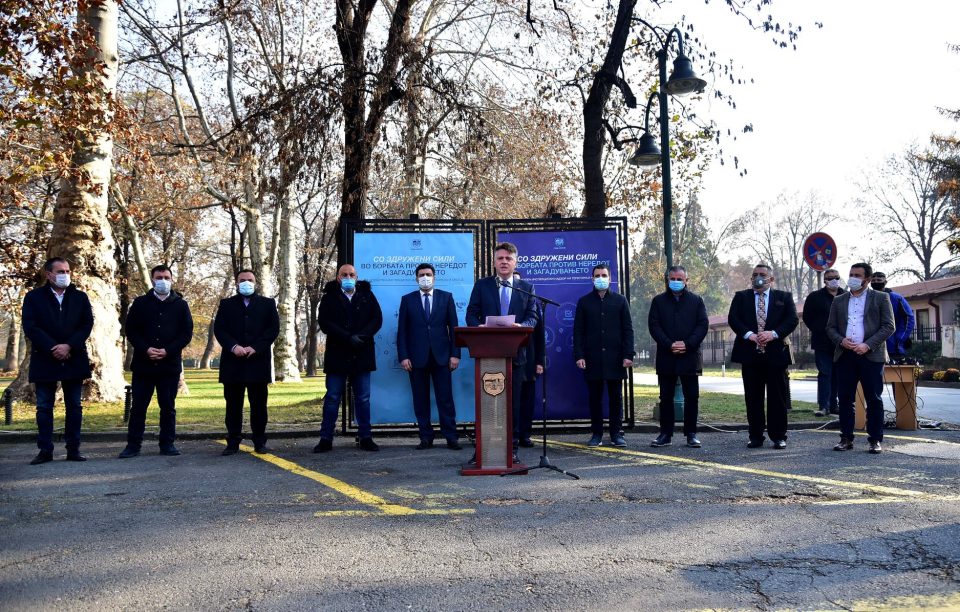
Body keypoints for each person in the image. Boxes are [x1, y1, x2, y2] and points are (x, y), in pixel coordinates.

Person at [466, 242, 538, 454]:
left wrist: (521, 327)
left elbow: (533, 317)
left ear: (515, 262)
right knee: (490, 404)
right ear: (494, 262)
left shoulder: (526, 287)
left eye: (508, 258)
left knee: (512, 405)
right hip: (488, 355)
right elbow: (471, 313)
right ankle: (486, 447)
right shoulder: (482, 285)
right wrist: (478, 326)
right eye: (500, 258)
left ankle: (511, 447)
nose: (504, 262)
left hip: (515, 356)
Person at [21, 257, 93, 464]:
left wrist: (69, 345)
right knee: (44, 406)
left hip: (73, 357)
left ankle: (73, 449)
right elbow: (31, 326)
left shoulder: (80, 297)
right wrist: (53, 347)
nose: (65, 275)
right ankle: (45, 450)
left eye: (68, 271)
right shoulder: (34, 297)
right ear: (49, 274)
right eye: (60, 271)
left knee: (74, 406)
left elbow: (86, 324)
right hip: (45, 358)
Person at [119, 265, 194, 458]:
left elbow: (186, 334)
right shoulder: (140, 303)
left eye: (166, 277)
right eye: (159, 277)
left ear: (171, 279)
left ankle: (167, 444)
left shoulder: (181, 305)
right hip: (144, 365)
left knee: (168, 407)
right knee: (138, 408)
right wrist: (146, 349)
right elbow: (131, 330)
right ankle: (133, 445)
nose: (163, 280)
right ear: (152, 279)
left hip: (169, 366)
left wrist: (167, 351)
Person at [727, 263, 799, 449]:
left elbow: (792, 320)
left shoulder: (784, 297)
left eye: (762, 274)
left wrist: (773, 334)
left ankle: (779, 436)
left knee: (777, 398)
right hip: (750, 355)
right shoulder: (741, 297)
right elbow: (733, 319)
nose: (758, 277)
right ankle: (756, 436)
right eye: (755, 274)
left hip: (776, 354)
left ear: (771, 279)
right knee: (753, 398)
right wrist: (749, 335)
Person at [827, 262, 895, 454]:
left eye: (857, 275)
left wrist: (867, 344)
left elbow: (889, 326)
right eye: (851, 274)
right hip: (846, 355)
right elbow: (830, 328)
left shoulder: (881, 298)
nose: (852, 278)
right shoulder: (839, 300)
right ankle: (846, 438)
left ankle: (875, 440)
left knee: (873, 399)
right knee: (845, 398)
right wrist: (841, 341)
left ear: (867, 279)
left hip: (871, 356)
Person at [315, 264, 383, 452]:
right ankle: (326, 438)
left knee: (362, 398)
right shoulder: (329, 297)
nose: (348, 277)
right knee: (332, 397)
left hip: (362, 352)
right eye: (344, 274)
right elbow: (325, 322)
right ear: (338, 277)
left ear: (357, 276)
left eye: (351, 274)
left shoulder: (367, 295)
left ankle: (365, 437)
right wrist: (347, 337)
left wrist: (361, 336)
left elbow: (377, 319)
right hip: (338, 354)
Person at [214, 269, 280, 455]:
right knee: (233, 405)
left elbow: (273, 329)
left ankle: (260, 441)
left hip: (257, 362)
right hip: (233, 363)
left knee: (259, 405)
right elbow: (220, 329)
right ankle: (233, 441)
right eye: (242, 280)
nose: (246, 283)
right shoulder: (226, 304)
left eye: (250, 280)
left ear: (255, 282)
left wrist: (256, 347)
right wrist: (233, 346)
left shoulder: (267, 304)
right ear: (236, 282)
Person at [397, 263, 462, 450]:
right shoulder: (407, 300)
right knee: (420, 399)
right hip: (416, 358)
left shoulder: (446, 297)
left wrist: (455, 354)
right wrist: (403, 356)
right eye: (421, 274)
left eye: (428, 274)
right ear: (416, 278)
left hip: (442, 357)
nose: (425, 277)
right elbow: (402, 331)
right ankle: (426, 436)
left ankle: (451, 436)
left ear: (434, 277)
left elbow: (454, 329)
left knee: (445, 398)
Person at [573, 264, 635, 447]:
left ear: (610, 278)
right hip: (592, 359)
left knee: (616, 398)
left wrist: (628, 354)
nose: (601, 278)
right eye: (597, 275)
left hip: (616, 358)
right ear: (592, 279)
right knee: (594, 398)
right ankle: (597, 434)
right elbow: (578, 332)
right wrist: (579, 355)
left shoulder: (620, 300)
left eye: (604, 275)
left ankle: (616, 434)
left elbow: (628, 330)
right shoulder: (584, 302)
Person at [647, 265, 708, 448]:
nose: (675, 282)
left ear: (686, 280)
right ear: (667, 280)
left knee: (692, 397)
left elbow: (702, 325)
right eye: (672, 279)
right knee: (665, 397)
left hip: (689, 356)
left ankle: (691, 434)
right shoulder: (658, 301)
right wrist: (669, 344)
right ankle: (665, 434)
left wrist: (687, 344)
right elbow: (654, 326)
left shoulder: (697, 301)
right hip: (667, 356)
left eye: (679, 279)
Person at [802, 268, 844, 417]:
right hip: (822, 342)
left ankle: (834, 405)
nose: (834, 280)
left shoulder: (846, 295)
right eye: (830, 278)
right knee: (825, 373)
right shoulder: (815, 297)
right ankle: (823, 406)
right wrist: (818, 329)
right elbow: (807, 317)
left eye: (836, 277)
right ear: (825, 280)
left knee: (838, 375)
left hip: (841, 343)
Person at [514, 271, 545, 448]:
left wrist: (540, 361)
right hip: (508, 358)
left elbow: (540, 336)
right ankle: (511, 435)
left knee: (527, 400)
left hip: (529, 359)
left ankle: (525, 434)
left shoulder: (533, 307)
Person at [870, 271, 915, 361]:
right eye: (873, 280)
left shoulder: (896, 298)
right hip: (870, 346)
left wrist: (900, 337)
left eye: (879, 280)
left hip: (893, 346)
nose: (876, 282)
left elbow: (908, 318)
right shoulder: (867, 298)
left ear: (885, 282)